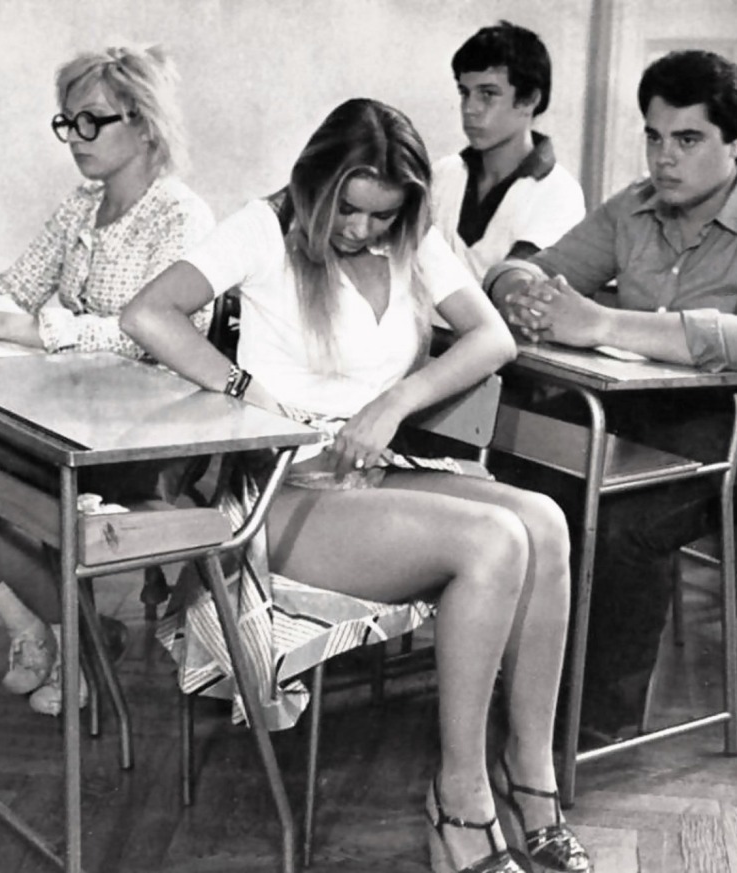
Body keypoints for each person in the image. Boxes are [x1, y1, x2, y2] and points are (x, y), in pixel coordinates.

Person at [121, 98, 591, 873]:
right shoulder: (267, 227)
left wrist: (395, 401)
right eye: (349, 207)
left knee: (544, 520)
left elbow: (493, 337)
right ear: (317, 181)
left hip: (370, 474)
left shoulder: (411, 239)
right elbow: (147, 313)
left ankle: (530, 775)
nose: (362, 228)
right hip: (282, 491)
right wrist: (247, 391)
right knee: (494, 539)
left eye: (382, 213)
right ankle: (460, 801)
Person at [485, 50, 737, 739]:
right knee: (522, 471)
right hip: (654, 408)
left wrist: (601, 323)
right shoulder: (635, 205)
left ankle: (591, 726)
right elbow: (530, 269)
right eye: (654, 137)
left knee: (626, 520)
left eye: (688, 139)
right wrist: (522, 295)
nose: (664, 158)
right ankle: (521, 677)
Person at [0, 45, 214, 716]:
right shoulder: (81, 206)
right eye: (67, 121)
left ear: (146, 123)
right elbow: (13, 287)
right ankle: (41, 629)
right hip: (66, 414)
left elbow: (153, 335)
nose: (75, 137)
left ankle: (80, 641)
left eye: (92, 121)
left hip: (145, 433)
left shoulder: (181, 218)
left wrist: (20, 330)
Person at [431, 21, 585, 282]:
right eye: (465, 93)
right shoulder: (442, 174)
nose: (469, 109)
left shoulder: (558, 193)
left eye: (487, 94)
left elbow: (517, 288)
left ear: (529, 100)